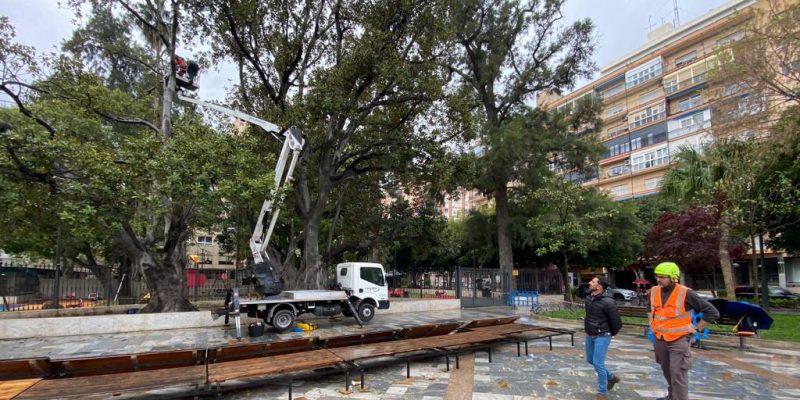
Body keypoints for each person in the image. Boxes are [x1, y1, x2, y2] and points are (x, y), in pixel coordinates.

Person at [649, 262, 719, 400]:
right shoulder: (654, 291)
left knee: (677, 373)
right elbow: (650, 310)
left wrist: (697, 327)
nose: (658, 279)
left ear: (673, 277)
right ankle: (672, 396)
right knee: (667, 372)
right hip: (660, 338)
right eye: (657, 276)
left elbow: (712, 312)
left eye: (662, 277)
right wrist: (652, 325)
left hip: (679, 339)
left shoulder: (685, 293)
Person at [584, 276, 622, 400]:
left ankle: (602, 392)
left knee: (598, 363)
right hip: (590, 333)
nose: (590, 282)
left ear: (599, 286)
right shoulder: (589, 298)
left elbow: (616, 321)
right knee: (590, 360)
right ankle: (611, 377)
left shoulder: (608, 302)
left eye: (593, 281)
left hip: (603, 334)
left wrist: (611, 333)